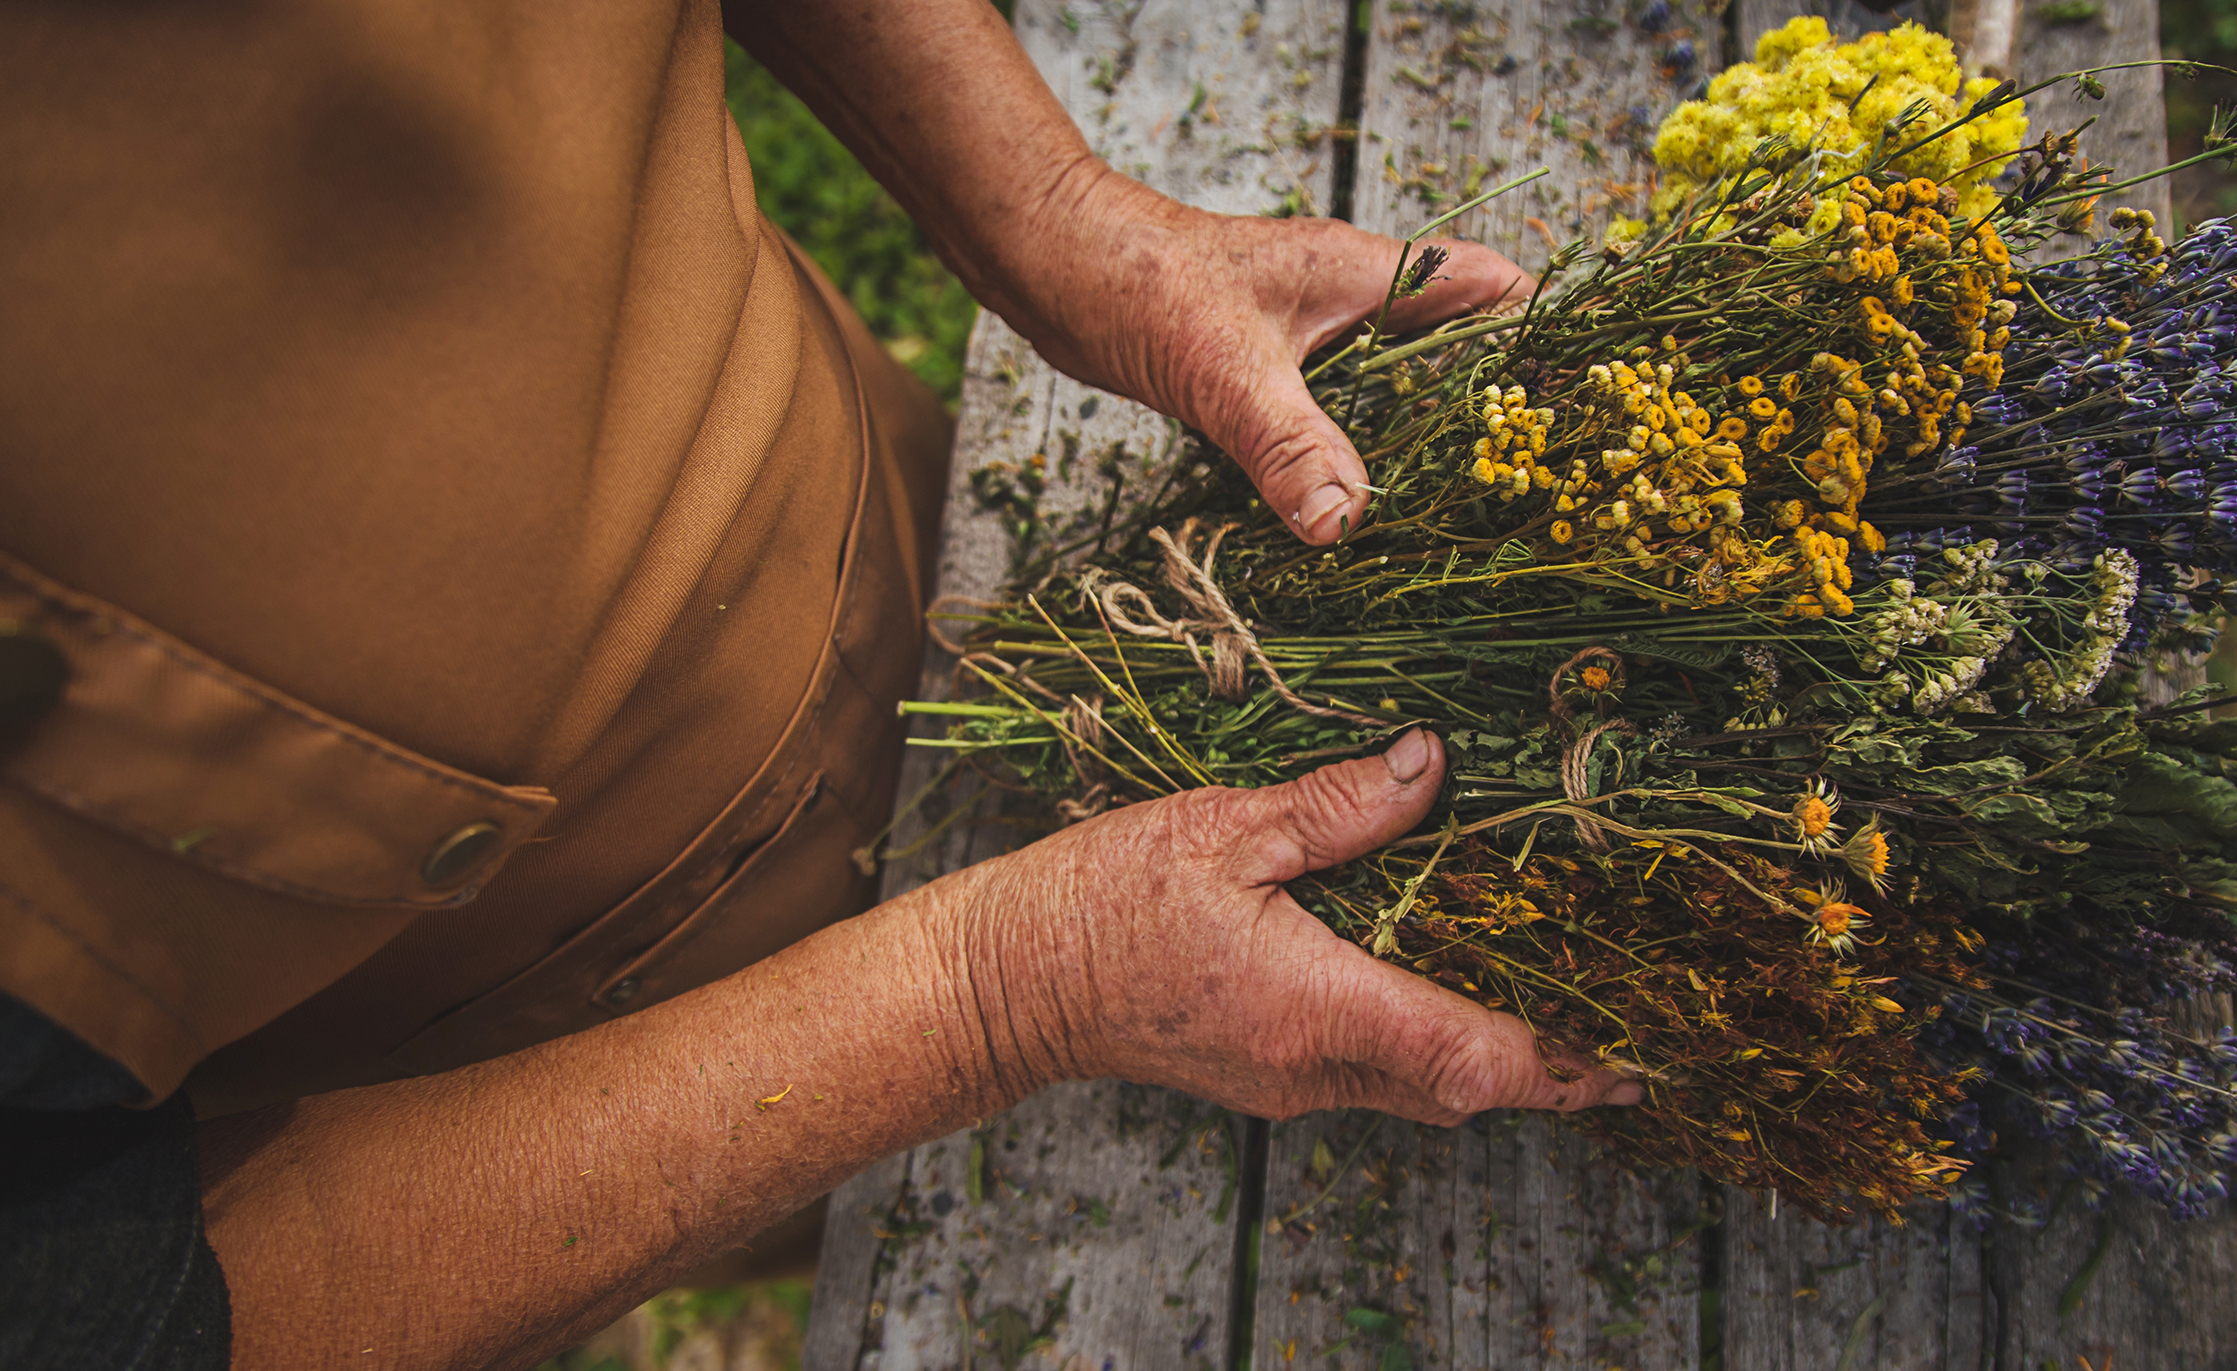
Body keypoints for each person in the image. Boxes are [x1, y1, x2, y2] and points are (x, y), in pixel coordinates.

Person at [0, 2, 1637, 1367]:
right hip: (566, 1040)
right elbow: (121, 1323)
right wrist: (1003, 996)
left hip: (836, 474)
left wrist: (1057, 213)